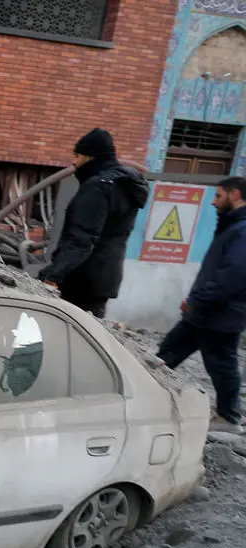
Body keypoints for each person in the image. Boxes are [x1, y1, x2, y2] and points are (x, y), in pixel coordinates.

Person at [156, 176, 246, 433]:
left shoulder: (242, 230)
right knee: (165, 354)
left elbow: (234, 274)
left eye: (218, 196)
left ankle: (229, 418)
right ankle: (143, 399)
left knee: (222, 365)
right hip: (204, 312)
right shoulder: (232, 226)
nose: (213, 202)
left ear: (235, 194)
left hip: (221, 314)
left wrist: (198, 299)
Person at [39, 128, 150, 318]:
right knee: (89, 330)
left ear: (90, 157)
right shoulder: (125, 185)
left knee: (65, 330)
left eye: (77, 156)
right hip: (105, 278)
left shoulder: (97, 188)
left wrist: (52, 274)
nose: (74, 163)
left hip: (81, 280)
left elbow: (82, 239)